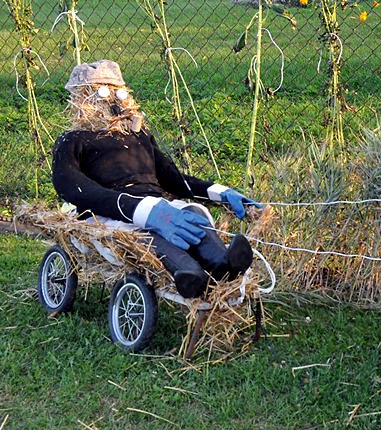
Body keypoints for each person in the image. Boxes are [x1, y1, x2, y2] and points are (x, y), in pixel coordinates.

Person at [51, 60, 260, 298]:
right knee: (145, 234)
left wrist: (219, 192)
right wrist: (140, 210)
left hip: (153, 203)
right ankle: (189, 273)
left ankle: (223, 265)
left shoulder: (139, 136)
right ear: (82, 99)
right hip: (109, 214)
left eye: (116, 92)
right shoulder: (73, 140)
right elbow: (74, 187)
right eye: (101, 92)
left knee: (194, 216)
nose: (111, 101)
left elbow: (173, 179)